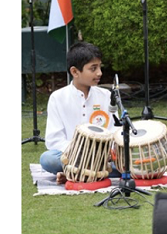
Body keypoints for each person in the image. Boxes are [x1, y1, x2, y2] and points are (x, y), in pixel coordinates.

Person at [43, 42, 114, 182]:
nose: (99, 73)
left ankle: (74, 174)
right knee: (48, 159)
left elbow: (115, 130)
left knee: (128, 159)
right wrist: (82, 153)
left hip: (103, 156)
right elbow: (54, 139)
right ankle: (91, 172)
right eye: (93, 68)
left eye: (100, 67)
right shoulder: (58, 98)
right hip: (71, 156)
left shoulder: (106, 95)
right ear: (75, 72)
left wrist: (104, 152)